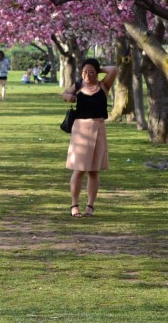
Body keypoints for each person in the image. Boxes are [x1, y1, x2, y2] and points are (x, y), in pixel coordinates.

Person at [61, 58, 116, 218]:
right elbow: (65, 94)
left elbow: (113, 69)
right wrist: (68, 97)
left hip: (98, 128)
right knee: (79, 169)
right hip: (80, 130)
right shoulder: (78, 86)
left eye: (91, 72)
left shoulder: (103, 86)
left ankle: (90, 207)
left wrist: (97, 69)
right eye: (85, 71)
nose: (87, 75)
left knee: (94, 171)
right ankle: (74, 205)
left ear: (97, 73)